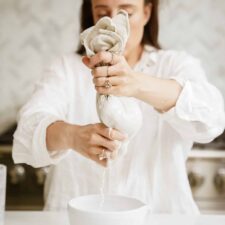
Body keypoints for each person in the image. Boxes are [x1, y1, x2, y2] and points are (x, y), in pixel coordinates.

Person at [12, 0, 225, 213]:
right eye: (102, 13)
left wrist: (137, 83)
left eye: (126, 13)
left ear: (147, 13)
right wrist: (72, 136)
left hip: (160, 216)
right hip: (79, 218)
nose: (113, 24)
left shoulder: (175, 65)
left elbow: (213, 119)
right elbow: (26, 132)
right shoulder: (67, 68)